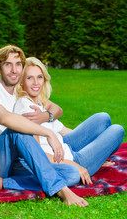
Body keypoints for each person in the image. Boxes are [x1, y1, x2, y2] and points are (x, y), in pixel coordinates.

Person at [0, 45, 90, 207]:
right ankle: (61, 190)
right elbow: (5, 118)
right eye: (8, 64)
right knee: (17, 129)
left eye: (18, 64)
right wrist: (49, 133)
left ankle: (5, 182)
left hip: (15, 161)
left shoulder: (21, 94)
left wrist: (47, 116)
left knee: (71, 174)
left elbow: (55, 108)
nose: (14, 70)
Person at [14, 57, 125, 186]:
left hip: (66, 146)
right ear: (21, 81)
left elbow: (62, 124)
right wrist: (75, 165)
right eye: (29, 78)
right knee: (117, 130)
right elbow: (36, 154)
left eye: (39, 77)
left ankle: (98, 157)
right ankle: (94, 160)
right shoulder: (26, 109)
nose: (36, 83)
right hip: (70, 161)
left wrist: (97, 150)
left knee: (102, 118)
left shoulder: (37, 101)